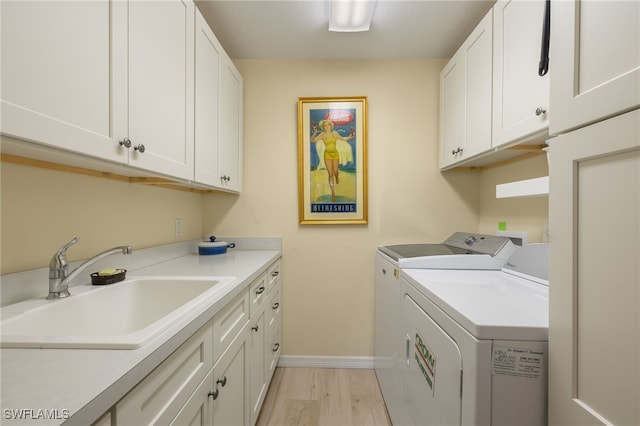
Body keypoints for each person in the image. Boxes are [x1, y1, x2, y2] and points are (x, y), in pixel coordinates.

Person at [311, 119, 355, 202]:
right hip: (327, 155)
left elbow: (342, 139)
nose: (327, 127)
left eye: (328, 125)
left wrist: (350, 136)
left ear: (331, 126)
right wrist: (315, 132)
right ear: (323, 127)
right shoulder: (322, 135)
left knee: (335, 172)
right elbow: (313, 140)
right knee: (330, 174)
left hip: (335, 155)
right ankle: (333, 193)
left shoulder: (335, 133)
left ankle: (337, 176)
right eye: (325, 125)